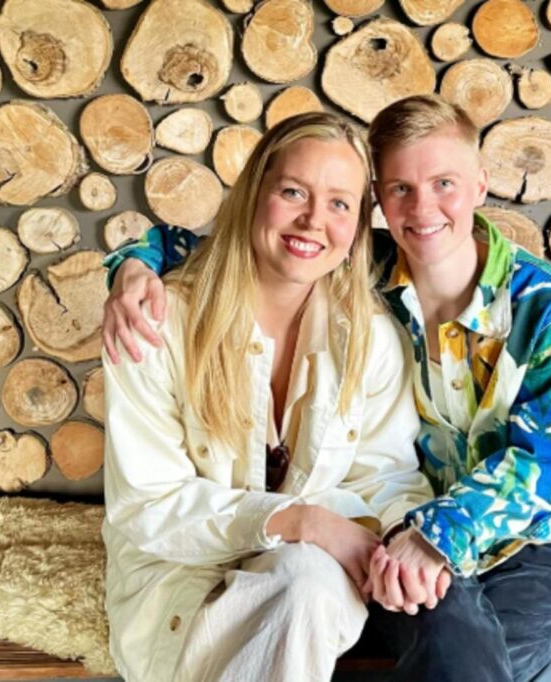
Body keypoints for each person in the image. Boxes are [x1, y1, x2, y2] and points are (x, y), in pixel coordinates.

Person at [104, 95, 551, 682]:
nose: (423, 208)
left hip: (519, 543)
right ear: (380, 206)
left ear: (480, 184)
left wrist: (430, 535)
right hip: (397, 526)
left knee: (475, 664)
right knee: (429, 635)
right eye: (401, 189)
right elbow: (221, 246)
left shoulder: (541, 305)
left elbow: (541, 465)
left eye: (444, 183)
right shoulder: (365, 267)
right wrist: (132, 263)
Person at [102, 111, 434, 682]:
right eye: (293, 192)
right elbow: (148, 505)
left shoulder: (372, 339)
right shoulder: (157, 321)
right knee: (298, 585)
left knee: (304, 582)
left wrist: (407, 538)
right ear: (255, 195)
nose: (313, 220)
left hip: (309, 578)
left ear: (358, 229)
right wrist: (301, 520)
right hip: (180, 571)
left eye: (339, 204)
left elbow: (387, 477)